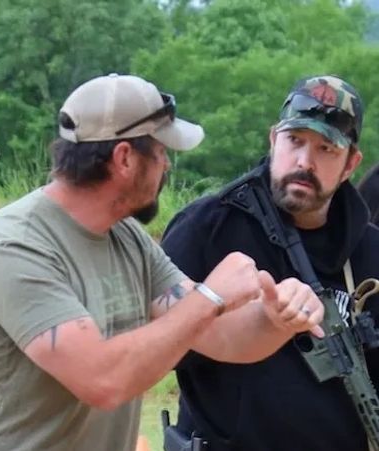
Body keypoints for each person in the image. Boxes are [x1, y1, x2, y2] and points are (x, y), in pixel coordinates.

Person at [0, 73, 324, 451]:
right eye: (161, 152)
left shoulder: (125, 236)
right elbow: (102, 380)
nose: (167, 166)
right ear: (125, 158)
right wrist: (211, 297)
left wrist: (278, 318)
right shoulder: (16, 247)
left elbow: (223, 338)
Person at [161, 75, 379, 451]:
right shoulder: (207, 228)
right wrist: (230, 310)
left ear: (350, 164)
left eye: (326, 149)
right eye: (295, 141)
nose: (305, 162)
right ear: (274, 138)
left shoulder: (370, 251)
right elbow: (155, 344)